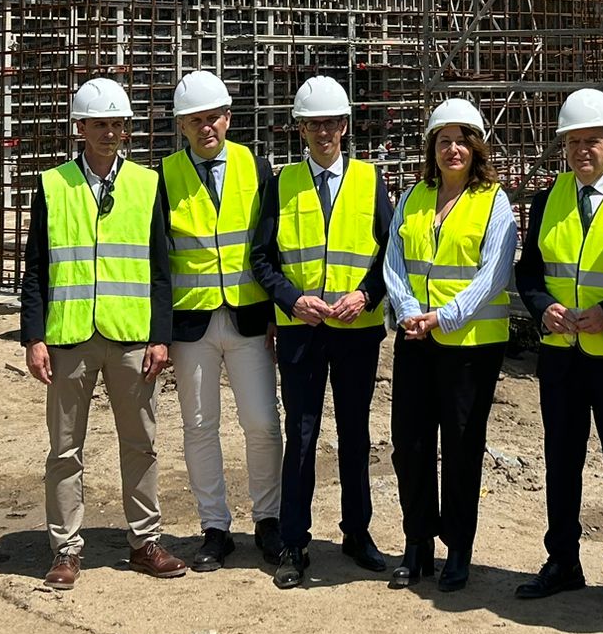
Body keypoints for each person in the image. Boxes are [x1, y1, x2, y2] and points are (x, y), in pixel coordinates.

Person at [19, 77, 187, 586]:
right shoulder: (53, 186)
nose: (110, 133)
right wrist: (33, 337)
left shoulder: (147, 184)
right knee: (65, 450)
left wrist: (161, 335)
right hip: (70, 336)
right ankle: (66, 550)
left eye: (118, 125)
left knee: (141, 444)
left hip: (131, 337)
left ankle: (145, 541)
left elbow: (162, 268)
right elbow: (36, 269)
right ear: (80, 129)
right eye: (100, 125)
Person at [514, 87, 603, 613]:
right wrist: (541, 308)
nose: (581, 151)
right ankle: (563, 561)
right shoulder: (548, 198)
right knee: (561, 460)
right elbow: (529, 271)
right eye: (572, 142)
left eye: (592, 141)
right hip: (560, 354)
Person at [250, 74, 394, 588]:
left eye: (331, 123)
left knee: (355, 434)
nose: (323, 132)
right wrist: (292, 299)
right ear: (300, 130)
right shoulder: (281, 183)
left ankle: (358, 533)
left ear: (346, 125)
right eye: (313, 124)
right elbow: (261, 259)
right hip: (302, 331)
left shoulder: (370, 180)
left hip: (358, 329)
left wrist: (367, 296)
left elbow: (389, 255)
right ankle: (293, 541)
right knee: (303, 435)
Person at [383, 98, 518, 593]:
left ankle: (458, 548)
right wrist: (409, 312)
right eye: (444, 140)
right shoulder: (414, 196)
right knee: (411, 444)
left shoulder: (494, 201)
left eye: (462, 140)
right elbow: (394, 259)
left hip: (470, 345)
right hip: (417, 338)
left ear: (477, 146)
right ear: (431, 148)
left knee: (462, 448)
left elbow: (494, 273)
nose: (453, 149)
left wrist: (445, 316)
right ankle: (417, 544)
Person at [164, 69, 283, 572]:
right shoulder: (164, 177)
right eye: (195, 121)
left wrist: (279, 314)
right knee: (199, 426)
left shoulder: (255, 167)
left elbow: (273, 244)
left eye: (212, 117)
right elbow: (158, 255)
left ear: (227, 118)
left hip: (249, 318)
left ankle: (269, 521)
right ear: (182, 127)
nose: (205, 127)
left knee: (261, 422)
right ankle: (214, 526)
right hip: (191, 324)